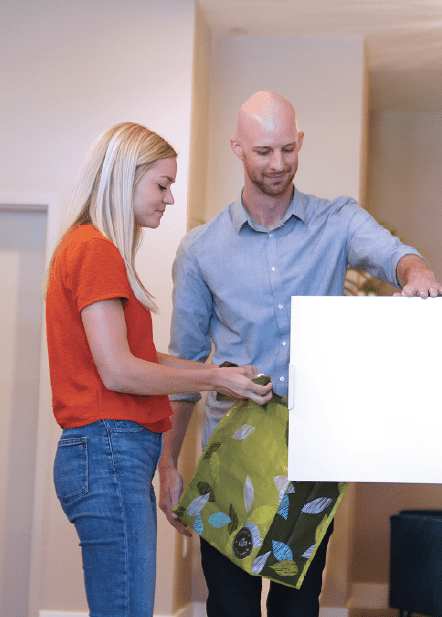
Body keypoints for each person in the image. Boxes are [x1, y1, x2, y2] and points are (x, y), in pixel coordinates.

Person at [158, 91, 442, 617]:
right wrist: (169, 462)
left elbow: (394, 254)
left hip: (311, 452)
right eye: (264, 151)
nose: (278, 164)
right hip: (232, 455)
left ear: (301, 143)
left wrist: (418, 272)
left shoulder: (336, 222)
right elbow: (183, 367)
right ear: (237, 149)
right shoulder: (200, 250)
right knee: (231, 606)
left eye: (288, 149)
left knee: (299, 605)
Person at [45, 122, 273, 617]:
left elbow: (138, 357)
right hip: (109, 450)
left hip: (105, 452)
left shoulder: (88, 247)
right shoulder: (95, 250)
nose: (169, 199)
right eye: (162, 184)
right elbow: (120, 371)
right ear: (125, 177)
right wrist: (213, 377)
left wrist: (217, 370)